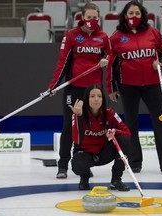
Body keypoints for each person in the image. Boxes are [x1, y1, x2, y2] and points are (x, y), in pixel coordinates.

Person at [106, 1, 162, 174]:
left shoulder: (153, 32)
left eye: (137, 13)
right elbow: (111, 64)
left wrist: (160, 62)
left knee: (161, 123)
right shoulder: (116, 37)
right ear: (124, 16)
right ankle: (135, 163)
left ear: (142, 15)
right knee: (131, 124)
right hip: (127, 86)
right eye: (130, 13)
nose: (133, 16)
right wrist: (111, 87)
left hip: (152, 84)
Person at [47, 3, 112, 179]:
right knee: (69, 127)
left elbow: (111, 56)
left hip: (93, 91)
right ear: (82, 18)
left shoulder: (103, 37)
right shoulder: (71, 36)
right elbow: (62, 62)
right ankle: (62, 165)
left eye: (95, 17)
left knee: (87, 128)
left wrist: (106, 59)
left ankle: (82, 163)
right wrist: (53, 86)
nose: (92, 20)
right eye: (89, 17)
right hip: (74, 88)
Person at [70, 84, 131, 191]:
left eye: (99, 96)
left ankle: (116, 179)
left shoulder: (109, 112)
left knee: (124, 140)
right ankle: (84, 177)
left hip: (103, 152)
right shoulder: (78, 114)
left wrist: (115, 132)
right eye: (92, 96)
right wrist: (79, 117)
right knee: (77, 164)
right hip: (85, 153)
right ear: (86, 99)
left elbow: (127, 132)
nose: (96, 99)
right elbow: (77, 139)